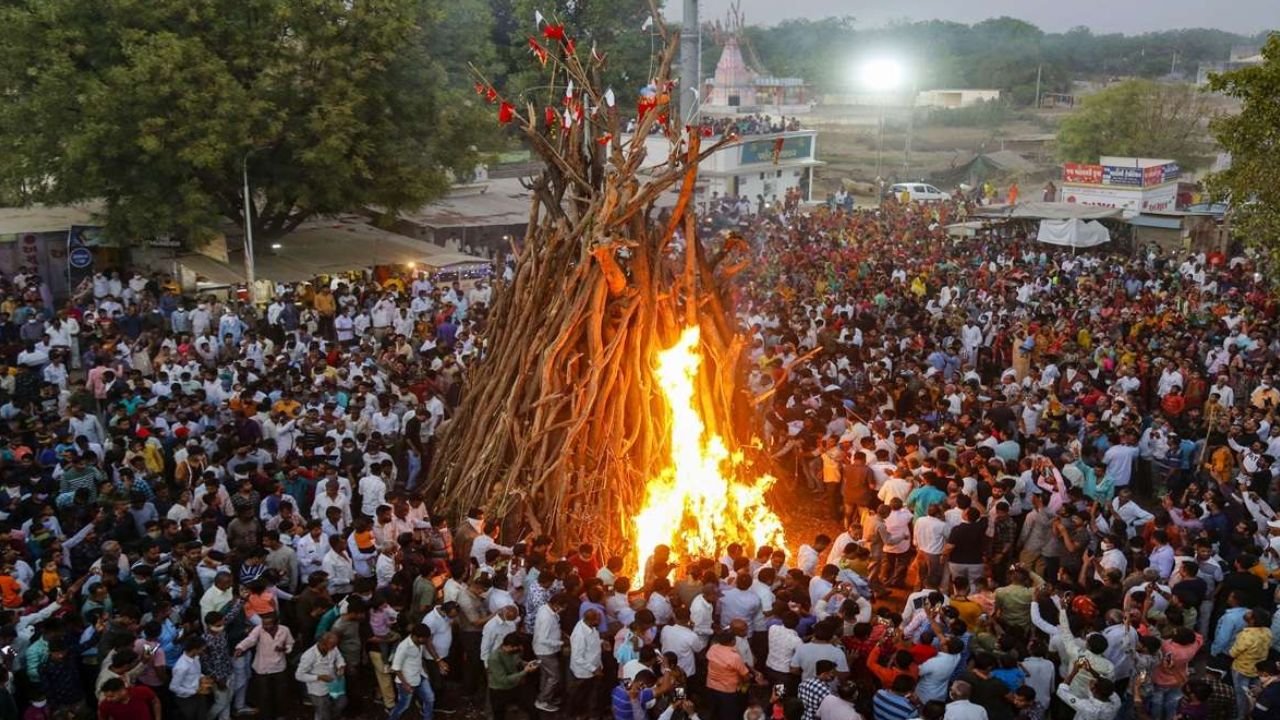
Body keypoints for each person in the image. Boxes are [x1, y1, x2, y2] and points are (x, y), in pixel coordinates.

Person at [388, 625, 436, 720]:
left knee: (430, 698)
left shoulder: (420, 643)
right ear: (416, 636)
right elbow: (396, 668)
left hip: (420, 676)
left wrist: (425, 672)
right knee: (403, 705)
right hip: (407, 681)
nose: (426, 641)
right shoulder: (404, 647)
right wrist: (405, 684)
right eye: (424, 638)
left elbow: (418, 659)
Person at [295, 632, 347, 720]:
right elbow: (299, 675)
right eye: (332, 646)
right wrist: (319, 677)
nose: (334, 648)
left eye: (335, 645)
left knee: (341, 703)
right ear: (322, 644)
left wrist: (341, 666)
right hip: (318, 690)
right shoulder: (309, 656)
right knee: (323, 712)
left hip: (334, 686)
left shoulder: (333, 647)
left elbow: (339, 657)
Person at [486, 632, 538, 719]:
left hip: (514, 686)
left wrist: (526, 664)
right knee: (499, 715)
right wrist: (525, 671)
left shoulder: (514, 652)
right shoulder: (494, 658)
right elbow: (503, 679)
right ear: (508, 646)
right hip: (499, 690)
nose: (518, 649)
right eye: (516, 647)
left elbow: (517, 661)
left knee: (532, 708)